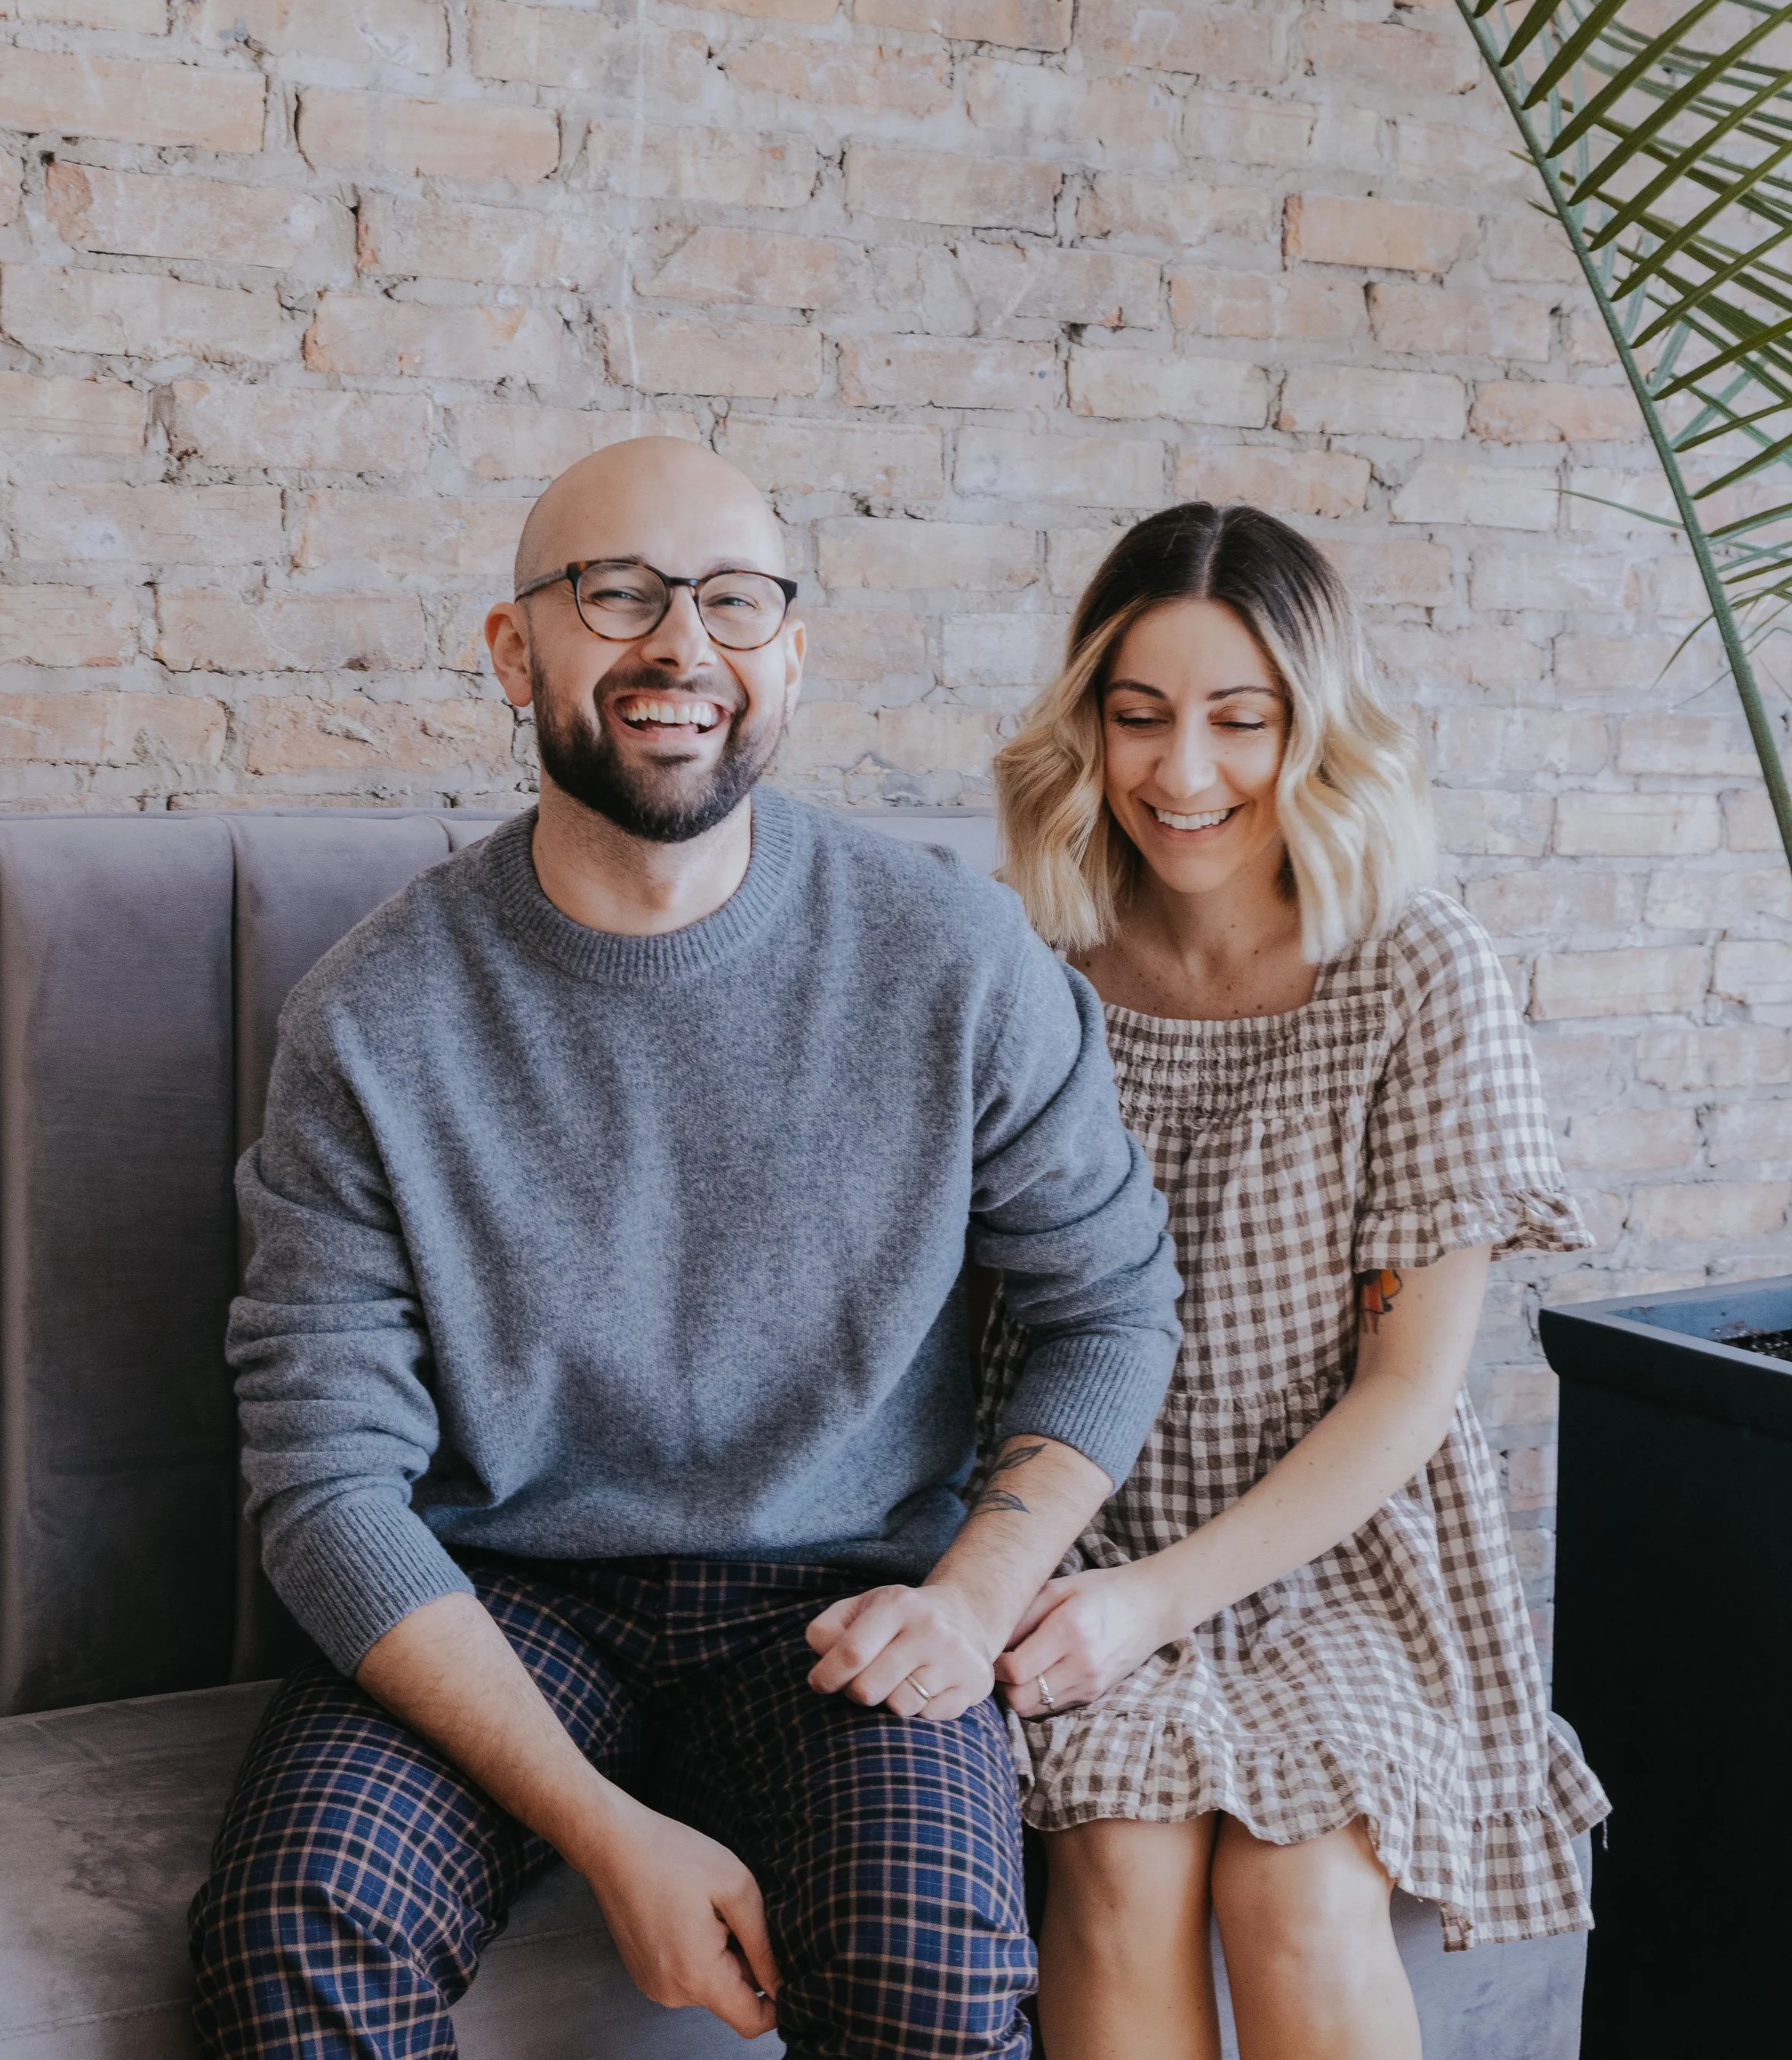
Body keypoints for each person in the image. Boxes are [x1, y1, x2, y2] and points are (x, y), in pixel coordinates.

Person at [189, 435, 1182, 2059]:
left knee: (929, 1974)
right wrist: (601, 1825)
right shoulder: (370, 1019)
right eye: (616, 593)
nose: (679, 646)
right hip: (498, 1591)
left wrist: (972, 1593)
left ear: (789, 652)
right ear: (515, 649)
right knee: (291, 1937)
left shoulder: (951, 956)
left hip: (841, 1596)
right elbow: (324, 1482)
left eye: (732, 600)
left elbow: (1112, 1302)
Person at [984, 501, 1606, 2060]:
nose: (1179, 773)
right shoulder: (1033, 965)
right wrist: (1064, 1577)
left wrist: (1152, 1604)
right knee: (1119, 1864)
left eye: (1236, 720)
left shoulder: (1413, 969)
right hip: (1088, 1510)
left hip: (1339, 1547)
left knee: (1294, 1889)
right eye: (1136, 716)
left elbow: (1406, 1395)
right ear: (1087, 725)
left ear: (1310, 729)